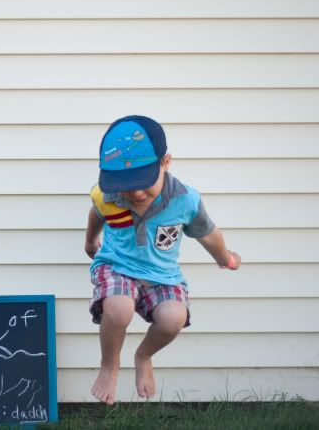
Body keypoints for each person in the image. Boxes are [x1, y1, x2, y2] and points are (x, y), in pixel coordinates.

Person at [84, 115, 240, 405]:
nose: (136, 193)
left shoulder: (184, 199)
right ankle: (109, 366)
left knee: (173, 319)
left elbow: (208, 234)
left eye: (144, 181)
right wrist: (90, 240)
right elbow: (97, 212)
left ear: (165, 163)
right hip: (117, 266)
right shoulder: (108, 194)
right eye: (127, 185)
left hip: (161, 276)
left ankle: (143, 356)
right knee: (119, 307)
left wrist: (226, 257)